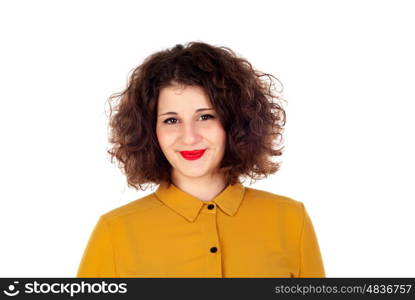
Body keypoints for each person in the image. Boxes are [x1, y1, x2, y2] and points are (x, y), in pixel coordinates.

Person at [76, 41, 326, 278]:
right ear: (150, 131)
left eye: (205, 116)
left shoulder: (291, 219)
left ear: (234, 122)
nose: (190, 137)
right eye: (171, 120)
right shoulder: (115, 232)